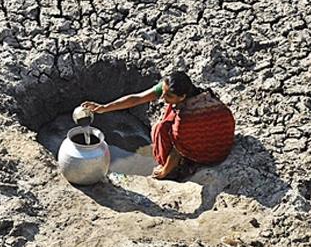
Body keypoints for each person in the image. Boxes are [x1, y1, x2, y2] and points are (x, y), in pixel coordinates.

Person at [81, 71, 235, 180]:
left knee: (160, 129)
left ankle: (177, 170)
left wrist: (164, 172)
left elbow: (176, 152)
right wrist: (103, 108)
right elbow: (137, 98)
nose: (162, 97)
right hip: (210, 134)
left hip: (212, 154)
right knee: (161, 126)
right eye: (163, 92)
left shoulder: (187, 120)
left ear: (182, 97)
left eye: (168, 96)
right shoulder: (186, 94)